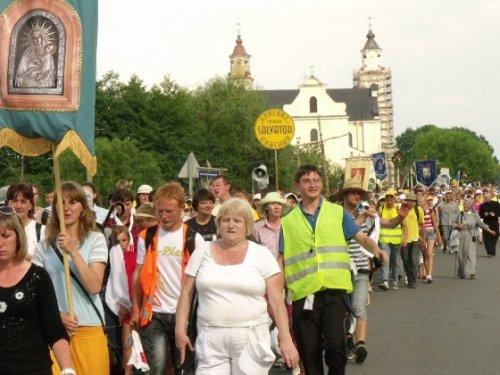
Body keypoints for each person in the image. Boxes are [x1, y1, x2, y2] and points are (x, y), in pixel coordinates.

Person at [279, 164, 387, 375]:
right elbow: (281, 260)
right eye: (307, 181)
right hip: (304, 294)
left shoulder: (337, 213)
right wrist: (279, 295)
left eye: (316, 180)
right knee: (309, 353)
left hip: (335, 292)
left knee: (336, 346)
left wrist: (376, 249)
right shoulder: (288, 221)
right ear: (297, 186)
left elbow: (361, 237)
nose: (312, 185)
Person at [175, 198, 299, 374]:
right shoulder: (202, 251)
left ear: (247, 225)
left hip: (251, 337)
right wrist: (180, 329)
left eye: (237, 221)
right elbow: (186, 293)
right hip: (210, 337)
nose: (231, 225)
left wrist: (285, 338)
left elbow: (276, 301)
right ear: (218, 224)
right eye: (226, 220)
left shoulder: (261, 254)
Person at [33, 181, 110, 374]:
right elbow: (34, 294)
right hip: (54, 332)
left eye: (73, 202)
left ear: (83, 208)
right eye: (62, 203)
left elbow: (94, 286)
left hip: (89, 328)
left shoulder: (96, 240)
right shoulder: (44, 247)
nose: (67, 208)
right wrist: (57, 316)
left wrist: (73, 252)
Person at [131, 182, 205, 375]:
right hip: (154, 313)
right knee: (155, 369)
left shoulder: (194, 239)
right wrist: (136, 309)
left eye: (169, 211)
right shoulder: (146, 237)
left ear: (182, 208)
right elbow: (138, 274)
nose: (163, 216)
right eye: (160, 210)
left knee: (183, 369)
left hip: (185, 314)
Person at [0, 206, 75, 375]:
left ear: (18, 237)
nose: (0, 243)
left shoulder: (37, 276)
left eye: (6, 236)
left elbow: (54, 330)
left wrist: (68, 369)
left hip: (33, 368)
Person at [106, 226, 134, 375]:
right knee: (125, 344)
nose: (121, 244)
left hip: (134, 305)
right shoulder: (108, 259)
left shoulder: (135, 257)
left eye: (124, 240)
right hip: (118, 308)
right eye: (117, 242)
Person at [5, 183, 46, 259]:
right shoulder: (2, 230)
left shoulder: (42, 232)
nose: (18, 206)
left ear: (30, 205)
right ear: (8, 203)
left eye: (23, 201)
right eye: (15, 201)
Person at [457, 200, 495, 279]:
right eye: (465, 204)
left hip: (471, 237)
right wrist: (458, 225)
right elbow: (453, 223)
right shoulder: (459, 214)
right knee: (461, 256)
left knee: (471, 254)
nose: (466, 206)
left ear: (471, 206)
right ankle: (462, 272)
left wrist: (491, 231)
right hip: (461, 236)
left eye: (468, 204)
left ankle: (472, 273)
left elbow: (482, 225)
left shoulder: (475, 216)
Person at [253, 191, 289, 259]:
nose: (277, 207)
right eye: (272, 204)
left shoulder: (288, 226)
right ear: (266, 207)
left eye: (279, 204)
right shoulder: (257, 227)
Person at [401, 192, 425, 288]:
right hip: (403, 239)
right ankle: (409, 276)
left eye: (412, 201)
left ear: (415, 202)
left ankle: (413, 281)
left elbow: (422, 224)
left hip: (415, 239)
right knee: (406, 261)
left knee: (413, 260)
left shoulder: (418, 210)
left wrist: (423, 238)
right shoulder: (402, 210)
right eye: (408, 201)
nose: (410, 203)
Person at [479, 191, 500, 257]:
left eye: (488, 197)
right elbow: (480, 214)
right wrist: (484, 215)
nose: (486, 198)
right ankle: (489, 252)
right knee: (486, 237)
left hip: (494, 222)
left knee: (495, 236)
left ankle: (492, 250)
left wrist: (495, 214)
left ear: (491, 197)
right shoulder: (482, 205)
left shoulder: (496, 203)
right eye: (485, 197)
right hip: (486, 222)